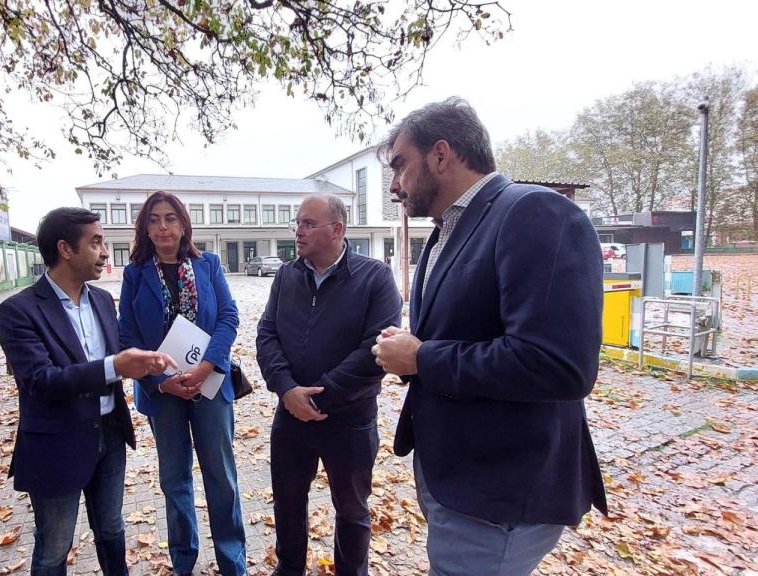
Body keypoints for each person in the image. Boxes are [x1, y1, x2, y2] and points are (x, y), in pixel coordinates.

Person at [371, 97, 608, 576]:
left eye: (399, 165)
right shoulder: (446, 231)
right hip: (459, 483)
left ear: (441, 154)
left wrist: (423, 357)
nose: (394, 185)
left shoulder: (534, 212)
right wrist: (414, 349)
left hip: (500, 495)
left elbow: (558, 364)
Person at [0, 207, 176, 576]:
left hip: (110, 433)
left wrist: (146, 366)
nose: (105, 252)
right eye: (96, 243)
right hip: (57, 442)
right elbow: (40, 382)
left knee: (112, 529)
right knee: (54, 546)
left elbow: (120, 357)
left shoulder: (102, 301)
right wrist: (115, 367)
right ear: (65, 249)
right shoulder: (17, 311)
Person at [256, 194, 402, 576]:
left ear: (337, 230)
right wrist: (287, 390)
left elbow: (377, 349)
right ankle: (289, 569)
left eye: (307, 223)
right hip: (291, 416)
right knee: (288, 501)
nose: (298, 231)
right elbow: (267, 334)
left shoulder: (375, 278)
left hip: (350, 418)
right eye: (297, 222)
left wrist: (320, 395)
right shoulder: (287, 275)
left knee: (352, 509)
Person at [118, 191, 247, 576]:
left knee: (221, 477)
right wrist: (160, 381)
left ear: (183, 223)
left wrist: (207, 366)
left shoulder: (208, 265)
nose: (163, 226)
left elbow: (228, 317)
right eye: (154, 219)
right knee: (175, 480)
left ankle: (232, 563)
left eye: (170, 218)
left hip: (209, 386)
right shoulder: (134, 273)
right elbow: (127, 335)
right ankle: (183, 563)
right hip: (163, 394)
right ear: (145, 227)